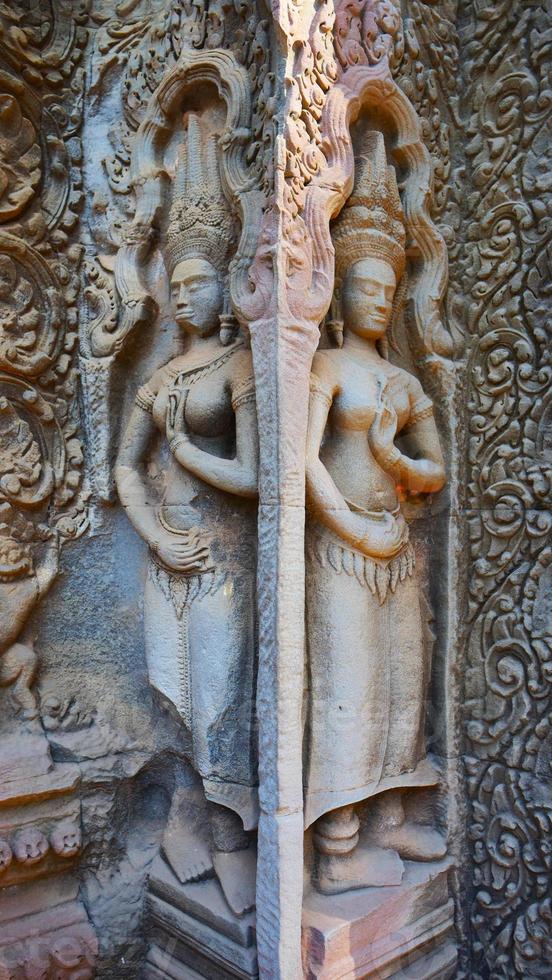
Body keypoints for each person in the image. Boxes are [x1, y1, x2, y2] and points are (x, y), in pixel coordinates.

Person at [115, 116, 258, 915]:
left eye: (198, 279)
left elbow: (256, 476)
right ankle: (189, 814)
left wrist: (189, 452)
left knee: (222, 697)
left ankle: (233, 835)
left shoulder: (238, 364)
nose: (183, 293)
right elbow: (123, 470)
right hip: (166, 552)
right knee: (173, 693)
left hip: (220, 556)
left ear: (225, 283)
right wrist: (153, 537)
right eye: (176, 283)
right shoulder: (163, 372)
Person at [305, 134, 447, 895]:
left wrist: (395, 462)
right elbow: (300, 458)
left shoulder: (397, 378)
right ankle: (338, 845)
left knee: (401, 685)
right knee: (348, 687)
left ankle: (390, 813)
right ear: (339, 291)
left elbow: (436, 469)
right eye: (364, 285)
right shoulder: (328, 367)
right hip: (341, 548)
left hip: (400, 547)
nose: (379, 298)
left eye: (389, 288)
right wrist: (350, 523)